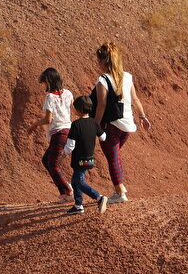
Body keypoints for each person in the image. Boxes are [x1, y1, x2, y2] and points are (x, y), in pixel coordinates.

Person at [92, 41, 151, 204]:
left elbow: (101, 106)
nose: (98, 64)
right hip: (127, 127)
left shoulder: (103, 80)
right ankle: (118, 190)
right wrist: (142, 116)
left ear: (103, 61)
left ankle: (120, 193)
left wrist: (95, 126)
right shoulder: (127, 77)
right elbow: (135, 99)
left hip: (110, 126)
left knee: (113, 159)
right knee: (114, 157)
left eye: (98, 60)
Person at [30, 67, 74, 203]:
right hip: (68, 129)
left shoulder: (50, 97)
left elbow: (48, 119)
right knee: (46, 160)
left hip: (59, 132)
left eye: (44, 83)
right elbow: (70, 107)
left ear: (49, 81)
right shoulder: (68, 93)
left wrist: (35, 124)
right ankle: (65, 193)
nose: (44, 85)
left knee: (53, 164)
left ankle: (68, 190)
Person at [62, 95, 109, 215]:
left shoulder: (76, 125)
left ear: (79, 110)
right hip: (90, 159)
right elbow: (103, 137)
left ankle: (98, 197)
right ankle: (78, 205)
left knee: (78, 181)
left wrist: (63, 154)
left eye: (74, 108)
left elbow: (71, 145)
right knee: (75, 180)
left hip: (79, 159)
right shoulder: (93, 122)